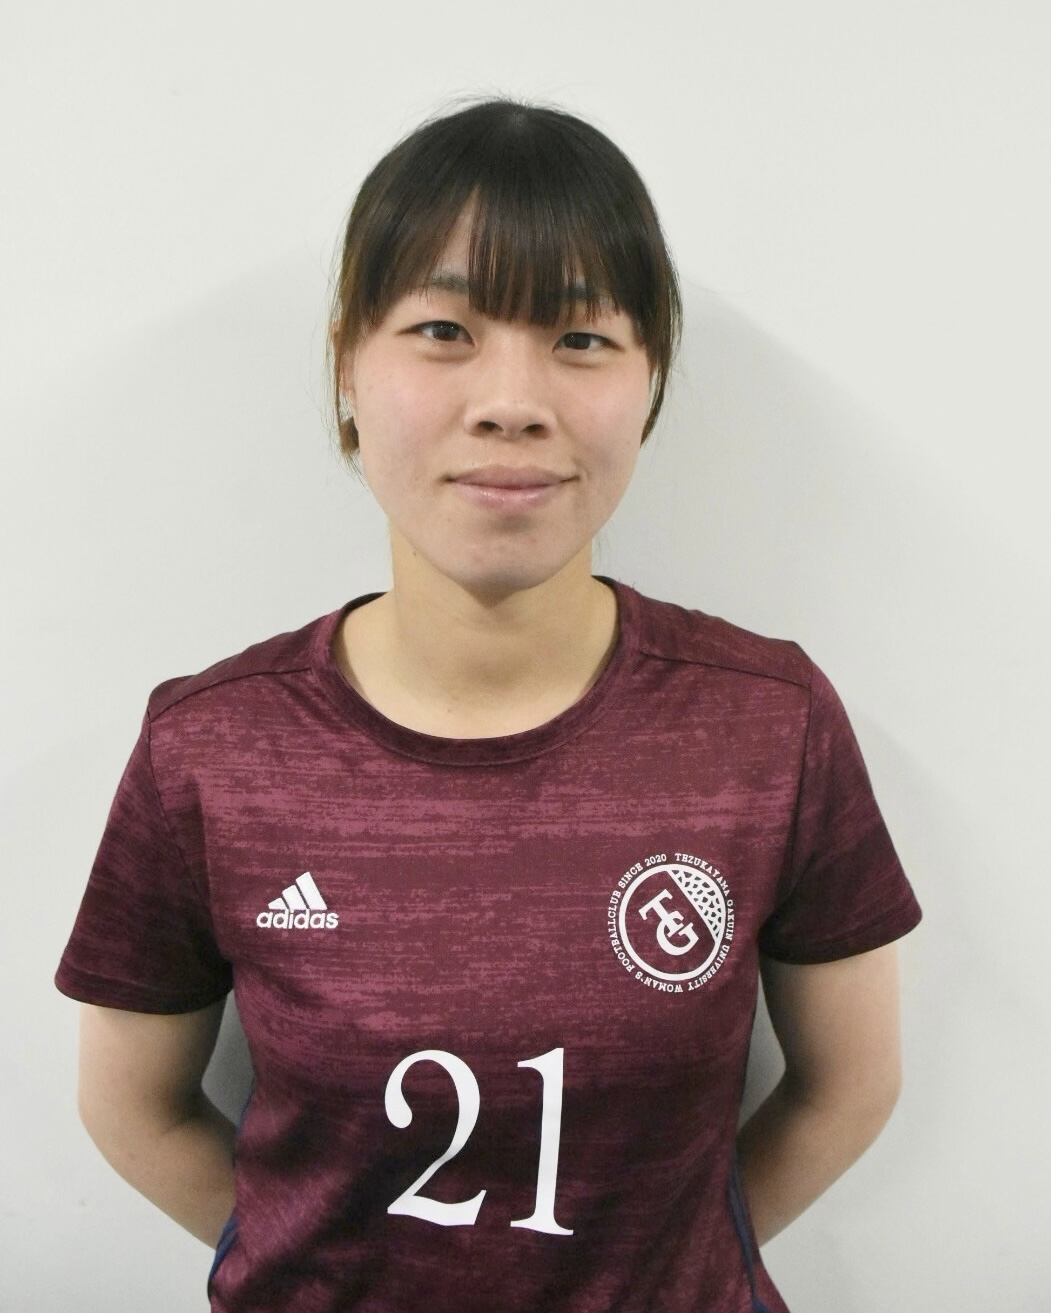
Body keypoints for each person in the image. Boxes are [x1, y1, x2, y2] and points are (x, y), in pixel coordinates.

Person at [56, 97, 922, 1313]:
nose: (512, 399)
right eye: (443, 329)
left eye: (581, 337)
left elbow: (849, 1084)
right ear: (348, 365)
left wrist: (658, 1268)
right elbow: (131, 1104)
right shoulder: (212, 747)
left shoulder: (768, 725)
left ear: (650, 379)